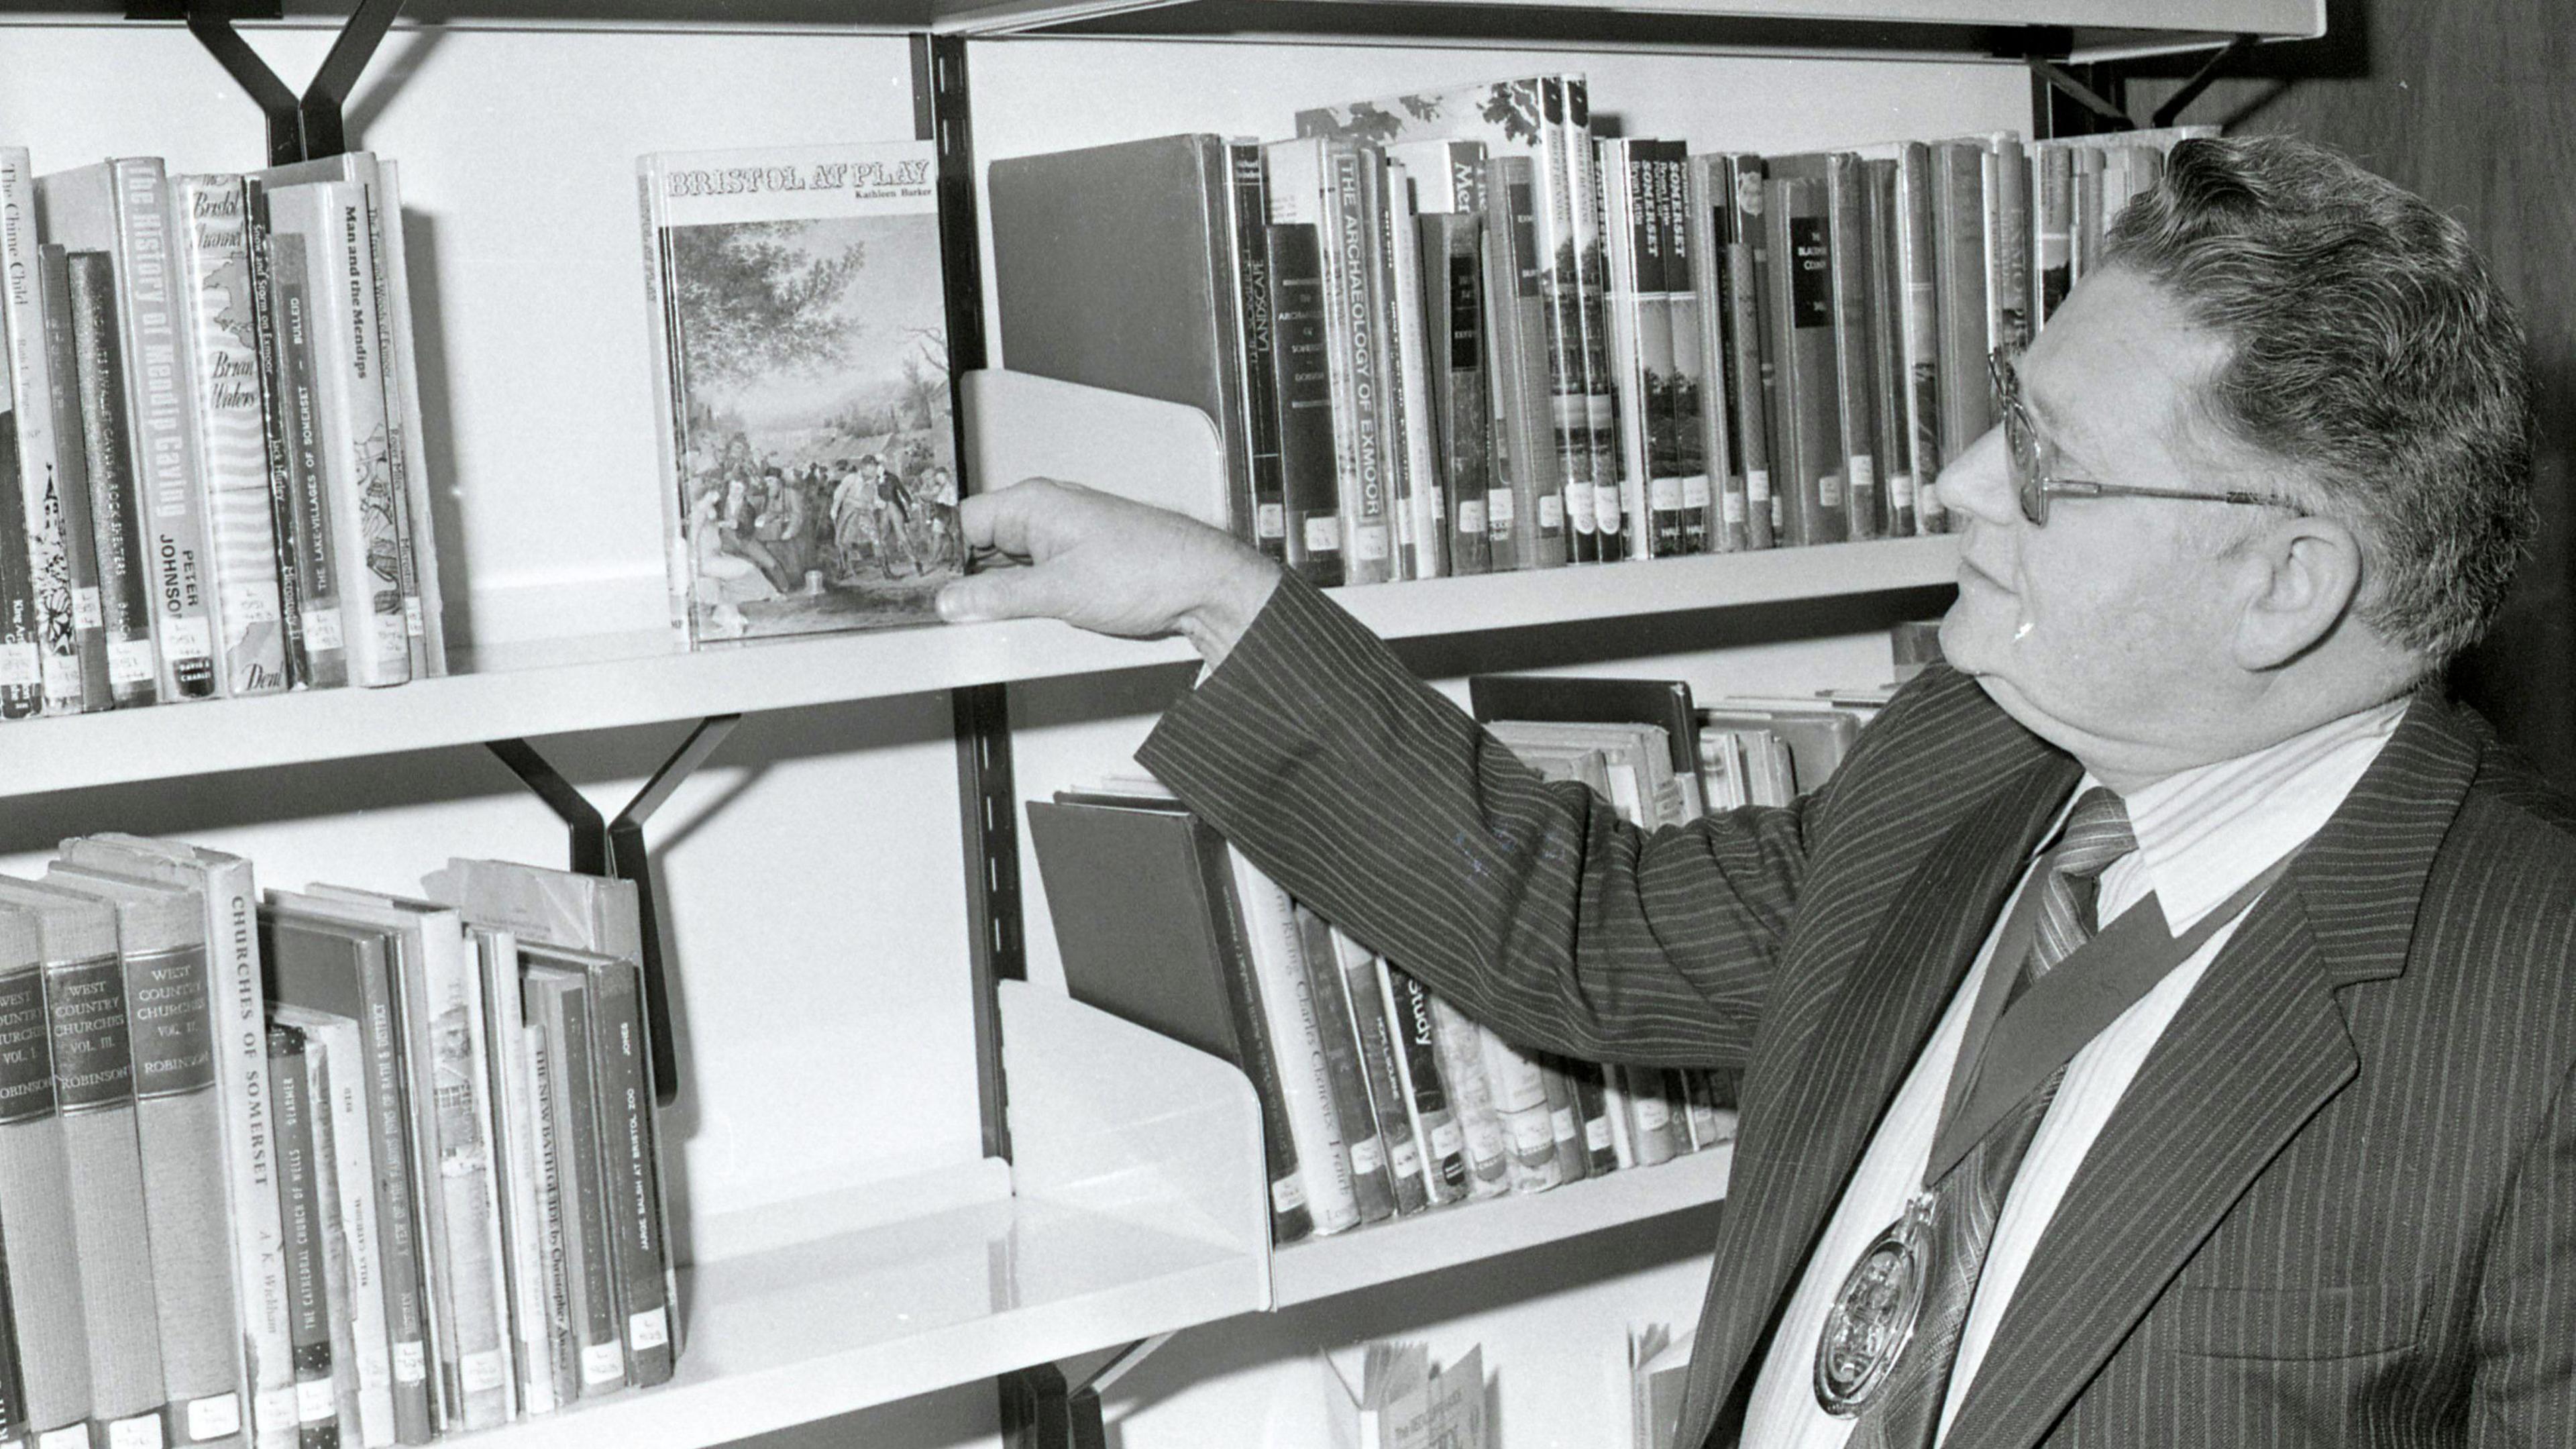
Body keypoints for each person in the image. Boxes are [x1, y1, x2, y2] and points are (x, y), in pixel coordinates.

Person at [938, 136, 2570, 1447]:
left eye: (2047, 463)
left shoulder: (2540, 1004)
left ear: (2283, 583)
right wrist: (1216, 598)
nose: (1958, 486)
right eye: (2007, 409)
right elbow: (1584, 932)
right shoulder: (1971, 754)